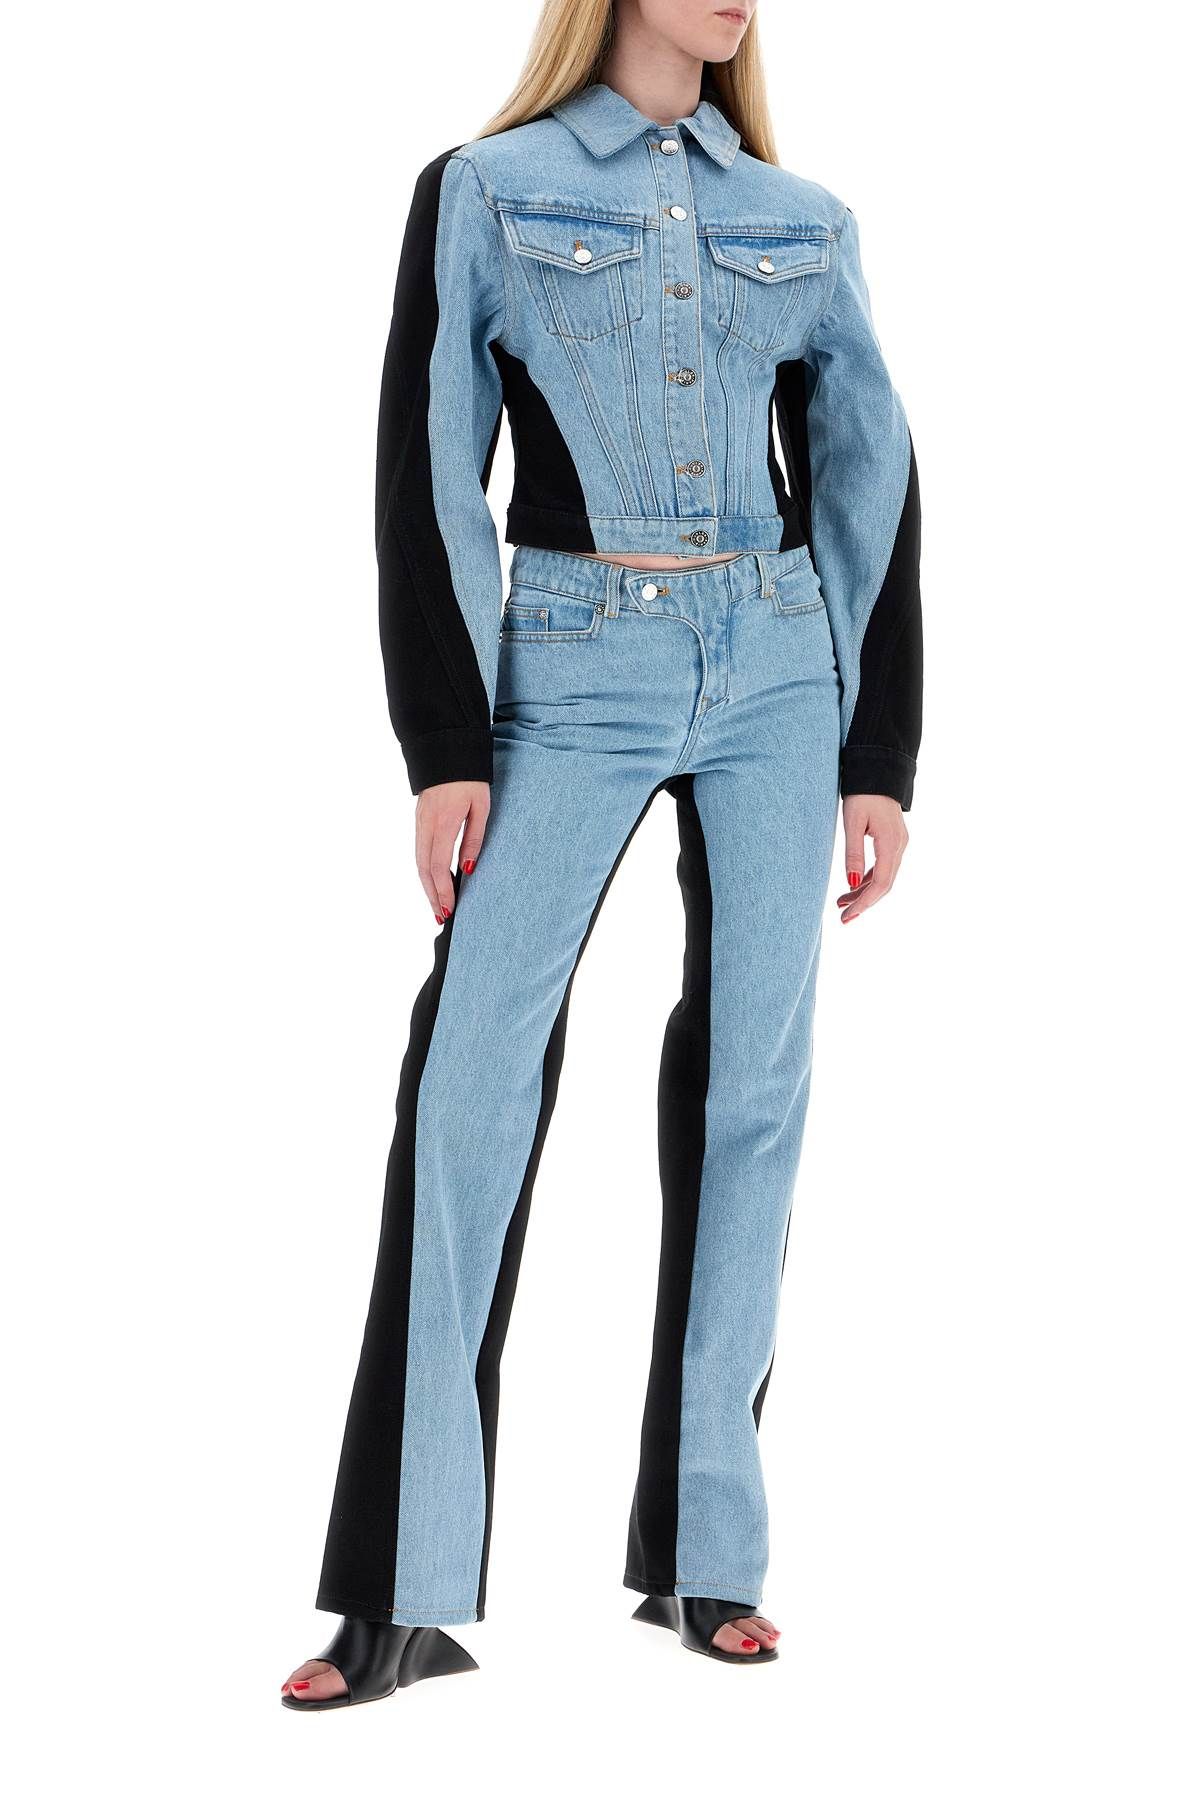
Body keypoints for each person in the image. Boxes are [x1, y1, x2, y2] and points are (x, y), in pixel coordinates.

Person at [281, 0, 921, 1710]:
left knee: (757, 1090)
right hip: (569, 662)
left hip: (779, 665)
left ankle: (710, 1559)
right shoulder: (486, 189)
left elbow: (870, 475)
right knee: (472, 1080)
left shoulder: (801, 215)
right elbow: (425, 464)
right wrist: (443, 742)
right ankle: (400, 1591)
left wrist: (878, 752)